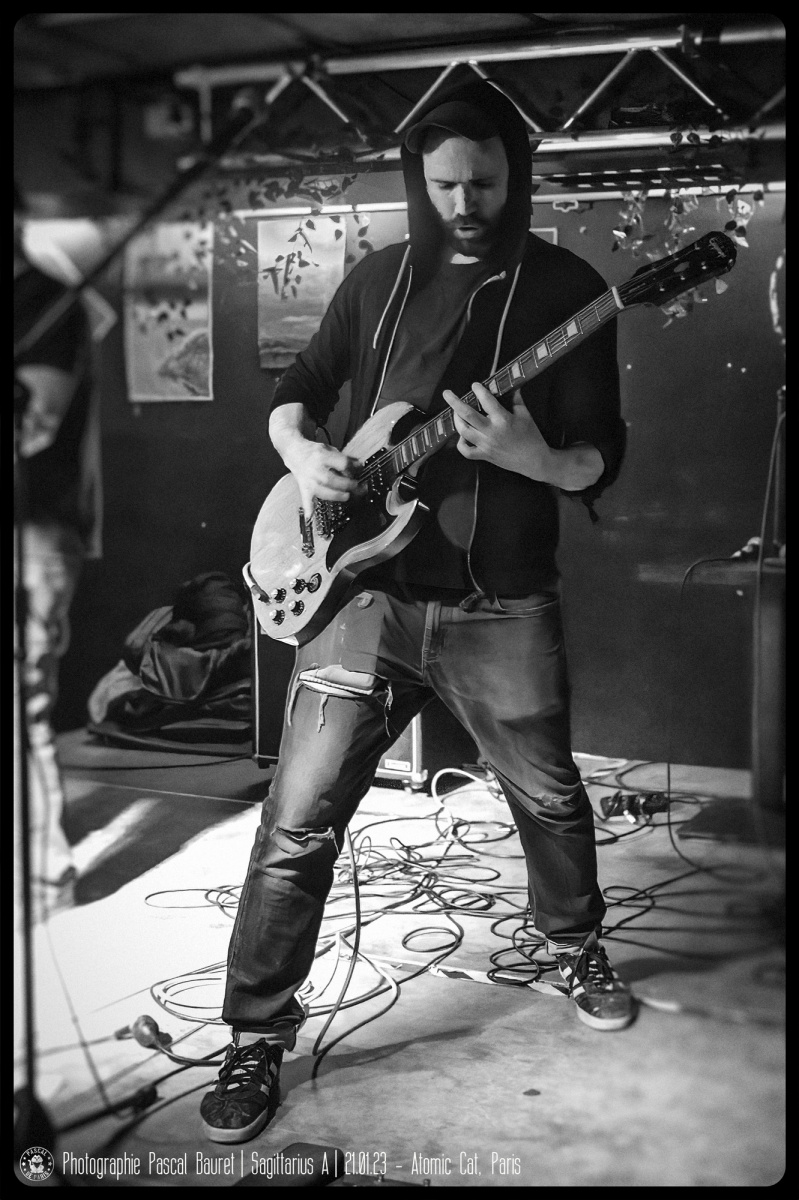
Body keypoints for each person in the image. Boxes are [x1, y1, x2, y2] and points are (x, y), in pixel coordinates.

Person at [201, 81, 630, 1144]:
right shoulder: (377, 279)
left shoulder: (570, 290)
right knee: (296, 820)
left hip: (500, 602)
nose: (464, 202)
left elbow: (598, 456)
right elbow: (298, 390)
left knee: (548, 798)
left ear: (514, 172)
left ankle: (574, 945)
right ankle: (254, 1033)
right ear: (416, 180)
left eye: (483, 181)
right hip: (364, 596)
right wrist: (303, 456)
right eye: (442, 184)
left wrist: (531, 456)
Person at [14, 184, 101, 920]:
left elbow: (34, 423)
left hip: (33, 532)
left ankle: (45, 880)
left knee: (22, 705)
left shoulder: (47, 302)